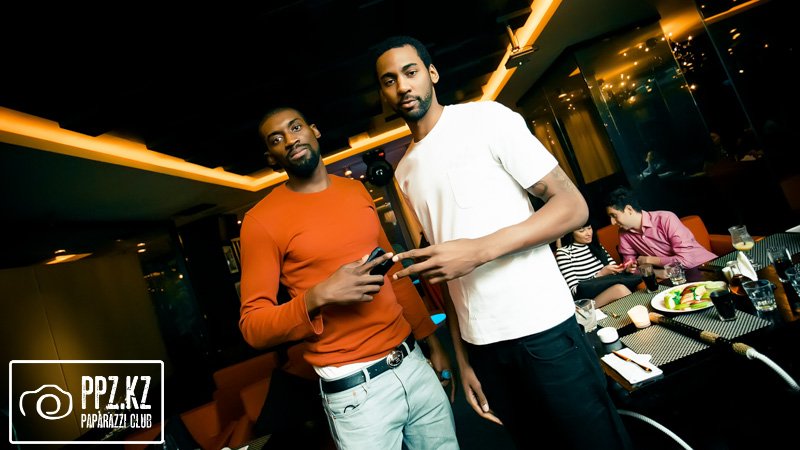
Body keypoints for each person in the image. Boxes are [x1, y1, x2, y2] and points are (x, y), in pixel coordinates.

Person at [373, 36, 633, 449]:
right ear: (384, 94)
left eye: (411, 72)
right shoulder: (405, 171)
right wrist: (463, 361)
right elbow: (447, 272)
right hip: (483, 349)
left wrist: (479, 250)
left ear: (432, 73)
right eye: (390, 80)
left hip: (543, 328)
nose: (402, 85)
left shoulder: (486, 119)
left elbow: (572, 206)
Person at [238, 106, 458, 449]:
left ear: (314, 130)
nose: (290, 140)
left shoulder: (355, 191)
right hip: (356, 392)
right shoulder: (260, 221)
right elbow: (253, 326)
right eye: (277, 139)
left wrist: (431, 341)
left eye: (295, 127)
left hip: (413, 362)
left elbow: (394, 272)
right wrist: (318, 296)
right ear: (272, 158)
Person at [604, 186, 717, 270]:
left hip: (707, 266)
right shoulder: (624, 234)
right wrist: (658, 273)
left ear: (629, 209)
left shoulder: (666, 219)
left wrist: (649, 260)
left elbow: (687, 260)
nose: (612, 222)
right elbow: (630, 269)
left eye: (614, 215)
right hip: (678, 276)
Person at [555, 222, 634, 307]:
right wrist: (600, 274)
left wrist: (625, 269)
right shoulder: (564, 253)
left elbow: (615, 274)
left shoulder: (596, 246)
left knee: (621, 288)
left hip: (611, 289)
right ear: (571, 233)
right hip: (587, 302)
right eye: (581, 231)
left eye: (589, 228)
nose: (588, 233)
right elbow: (575, 292)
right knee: (619, 290)